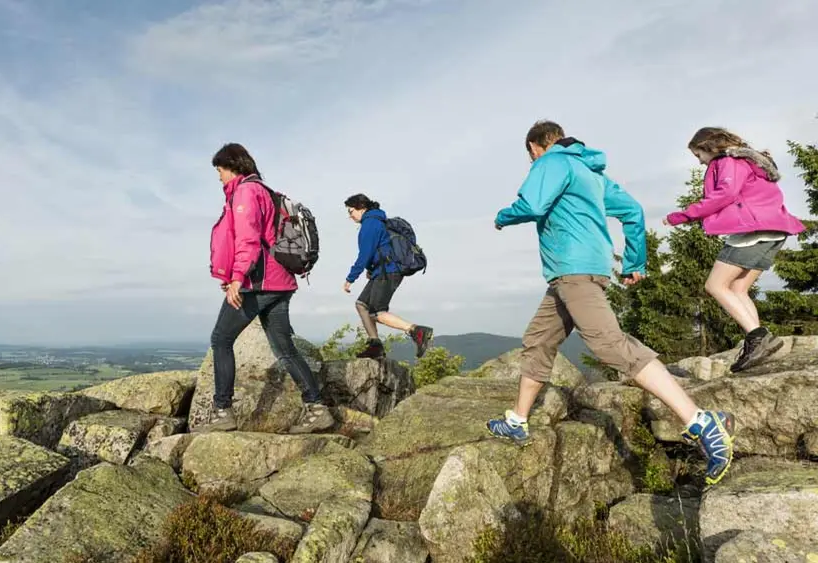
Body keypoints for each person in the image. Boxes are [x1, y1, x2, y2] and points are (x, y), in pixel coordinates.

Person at [487, 120, 736, 487]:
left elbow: (533, 204)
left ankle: (700, 421)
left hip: (573, 271)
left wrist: (502, 217)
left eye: (531, 155)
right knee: (539, 339)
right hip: (577, 272)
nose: (532, 162)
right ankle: (517, 420)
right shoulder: (590, 172)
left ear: (536, 146)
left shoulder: (552, 161)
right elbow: (632, 211)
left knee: (611, 346)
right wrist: (634, 261)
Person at [199, 142, 334, 434]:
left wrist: (237, 278)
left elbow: (248, 240)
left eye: (220, 170)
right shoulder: (263, 190)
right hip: (279, 281)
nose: (218, 176)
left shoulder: (245, 192)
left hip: (258, 283)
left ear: (232, 166)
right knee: (285, 349)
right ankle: (317, 408)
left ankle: (222, 411)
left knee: (221, 339)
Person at [665, 127, 806, 372]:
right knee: (738, 288)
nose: (699, 161)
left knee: (715, 286)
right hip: (774, 228)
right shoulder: (749, 161)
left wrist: (682, 216)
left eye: (698, 155)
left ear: (709, 146)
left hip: (754, 229)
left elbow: (726, 193)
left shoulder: (727, 161)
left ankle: (758, 337)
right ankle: (760, 346)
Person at [342, 194, 433, 359]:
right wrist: (371, 269)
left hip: (387, 271)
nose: (350, 216)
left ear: (361, 207)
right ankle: (375, 345)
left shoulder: (370, 224)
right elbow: (378, 250)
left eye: (351, 211)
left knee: (377, 312)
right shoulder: (377, 221)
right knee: (362, 304)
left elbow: (365, 254)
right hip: (383, 270)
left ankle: (417, 331)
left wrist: (350, 278)